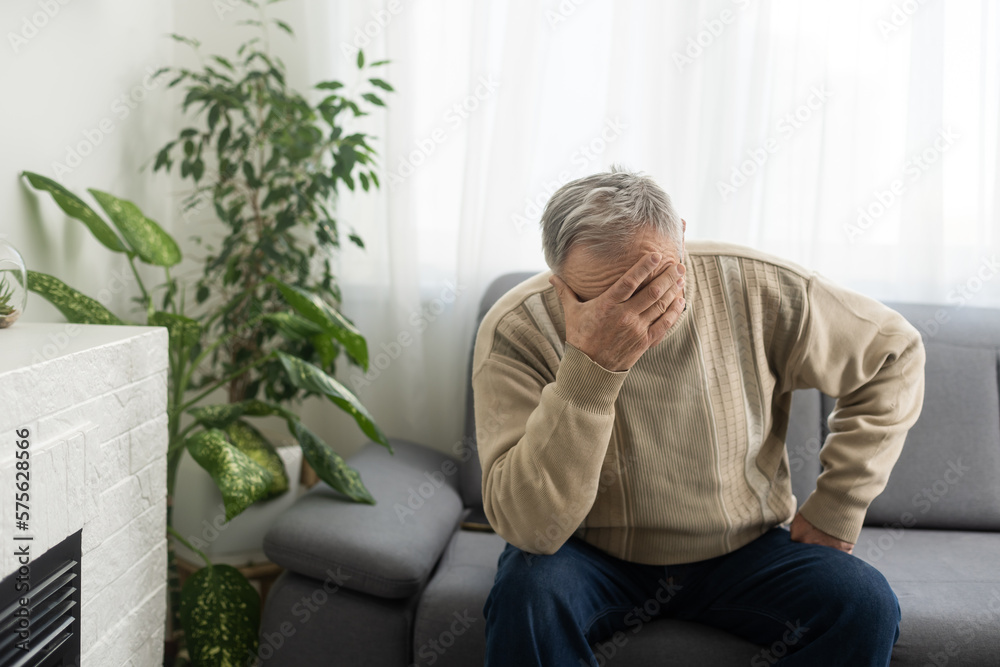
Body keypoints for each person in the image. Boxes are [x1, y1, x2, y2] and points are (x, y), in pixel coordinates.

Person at [472, 166, 926, 666]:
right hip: (587, 554)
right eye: (601, 299)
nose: (634, 316)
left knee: (864, 604)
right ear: (557, 279)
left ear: (682, 240)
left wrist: (837, 505)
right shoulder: (516, 330)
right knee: (526, 596)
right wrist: (592, 370)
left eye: (654, 281)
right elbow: (530, 530)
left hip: (744, 550)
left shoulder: (757, 287)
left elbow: (895, 353)